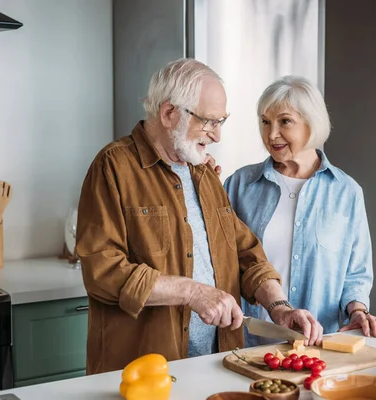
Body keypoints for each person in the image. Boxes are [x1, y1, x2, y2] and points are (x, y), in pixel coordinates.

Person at [75, 59, 323, 375]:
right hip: (145, 374)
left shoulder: (204, 173)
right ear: (168, 114)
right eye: (208, 122)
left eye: (221, 121)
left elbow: (246, 254)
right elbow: (102, 271)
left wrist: (279, 308)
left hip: (217, 364)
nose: (217, 136)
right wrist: (193, 292)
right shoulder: (113, 167)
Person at [224, 75, 376, 348]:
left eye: (285, 121)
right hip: (248, 343)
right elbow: (222, 262)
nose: (272, 133)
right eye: (265, 122)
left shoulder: (346, 192)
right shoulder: (239, 185)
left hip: (319, 346)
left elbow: (356, 273)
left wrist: (359, 312)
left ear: (312, 123)